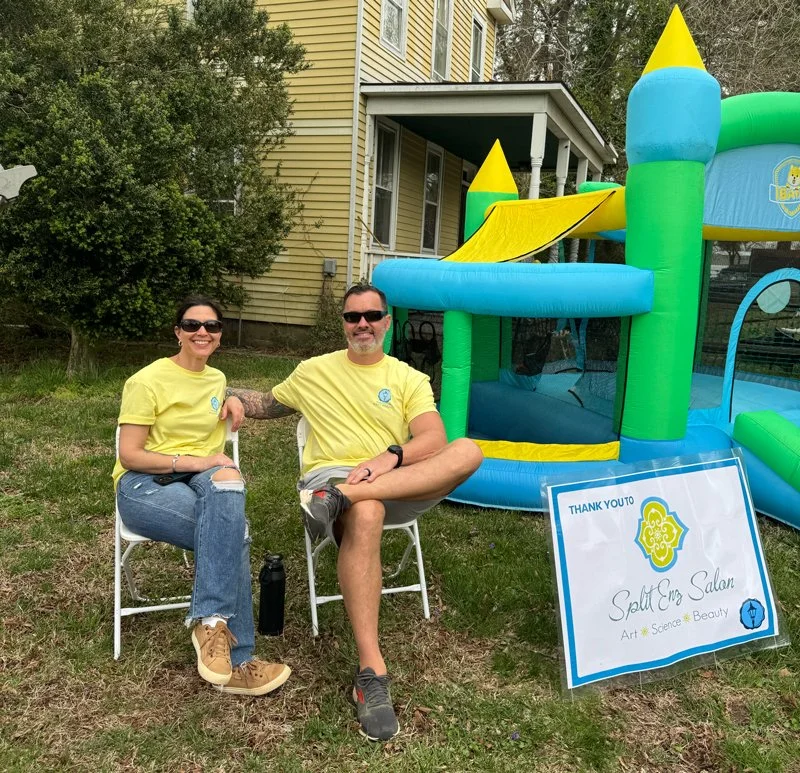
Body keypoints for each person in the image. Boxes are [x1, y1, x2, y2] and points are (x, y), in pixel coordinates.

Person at [225, 283, 482, 740]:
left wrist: (388, 458)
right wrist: (219, 393)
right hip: (330, 476)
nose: (362, 323)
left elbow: (432, 439)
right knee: (368, 514)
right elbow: (264, 403)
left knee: (467, 450)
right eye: (352, 317)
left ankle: (345, 497)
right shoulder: (314, 372)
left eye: (372, 315)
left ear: (386, 321)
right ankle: (371, 672)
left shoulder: (407, 378)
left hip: (391, 476)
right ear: (343, 324)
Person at [113, 295, 291, 696]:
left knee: (228, 478)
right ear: (177, 332)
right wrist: (197, 461)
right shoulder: (146, 381)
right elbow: (131, 454)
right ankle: (237, 655)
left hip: (200, 477)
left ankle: (214, 630)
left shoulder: (215, 378)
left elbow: (212, 391)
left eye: (211, 326)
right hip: (144, 485)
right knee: (234, 531)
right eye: (192, 325)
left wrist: (230, 397)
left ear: (220, 335)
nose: (202, 332)